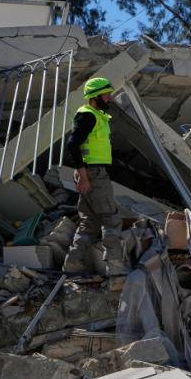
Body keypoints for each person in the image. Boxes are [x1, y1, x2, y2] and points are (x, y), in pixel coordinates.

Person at [62, 77, 126, 276]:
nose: (109, 97)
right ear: (95, 96)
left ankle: (72, 264)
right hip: (93, 174)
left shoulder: (96, 115)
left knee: (89, 222)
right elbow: (72, 144)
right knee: (111, 218)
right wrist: (84, 177)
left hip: (91, 173)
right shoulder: (88, 115)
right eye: (106, 94)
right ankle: (115, 267)